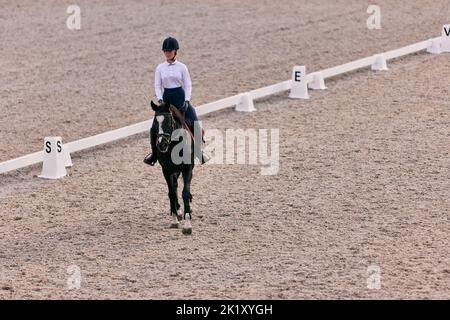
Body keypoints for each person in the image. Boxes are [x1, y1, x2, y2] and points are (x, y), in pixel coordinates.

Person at [144, 37, 209, 166]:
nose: (167, 53)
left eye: (170, 50)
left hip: (180, 97)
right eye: (165, 51)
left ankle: (198, 151)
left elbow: (188, 85)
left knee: (194, 120)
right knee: (154, 127)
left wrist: (187, 100)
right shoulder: (160, 68)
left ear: (175, 51)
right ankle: (154, 155)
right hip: (166, 99)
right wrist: (160, 99)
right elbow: (157, 85)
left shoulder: (182, 67)